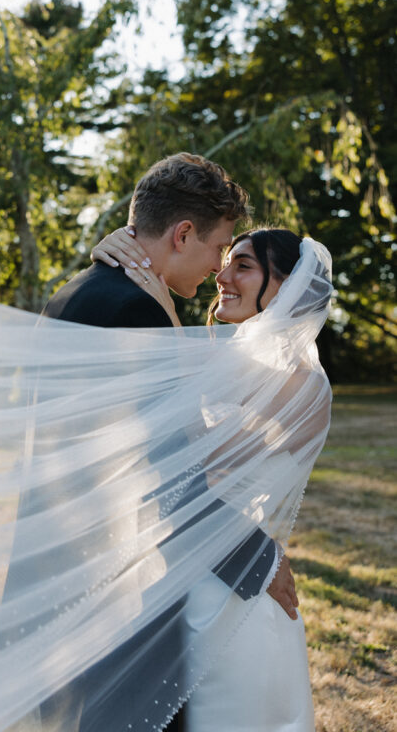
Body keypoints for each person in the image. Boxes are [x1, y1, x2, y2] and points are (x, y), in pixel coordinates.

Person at [33, 154, 299, 731]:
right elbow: (168, 479)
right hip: (125, 590)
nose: (218, 268)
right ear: (183, 234)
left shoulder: (77, 290)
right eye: (218, 247)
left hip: (68, 574)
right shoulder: (135, 312)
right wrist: (259, 560)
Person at [91, 224, 331, 732]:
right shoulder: (232, 359)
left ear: (287, 287)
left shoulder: (304, 385)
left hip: (232, 594)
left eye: (243, 265)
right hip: (189, 573)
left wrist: (167, 318)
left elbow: (193, 455)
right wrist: (116, 251)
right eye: (226, 260)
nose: (222, 274)